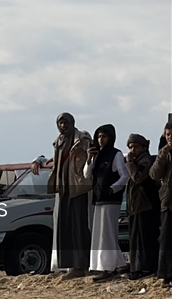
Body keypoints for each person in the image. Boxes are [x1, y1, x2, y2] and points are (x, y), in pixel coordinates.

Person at [32, 113, 92, 279]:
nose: (63, 126)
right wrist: (38, 160)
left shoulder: (82, 138)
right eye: (61, 123)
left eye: (66, 122)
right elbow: (56, 159)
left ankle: (80, 266)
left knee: (79, 227)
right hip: (63, 190)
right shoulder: (59, 141)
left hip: (78, 189)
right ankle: (69, 265)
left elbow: (90, 155)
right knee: (64, 227)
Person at [84, 124, 129, 283]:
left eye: (104, 136)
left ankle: (107, 268)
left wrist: (113, 189)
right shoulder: (97, 155)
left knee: (107, 234)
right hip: (98, 198)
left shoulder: (115, 154)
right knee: (101, 233)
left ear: (110, 137)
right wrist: (89, 158)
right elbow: (87, 174)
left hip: (111, 199)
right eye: (99, 137)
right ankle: (120, 264)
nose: (101, 140)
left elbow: (124, 176)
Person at [125, 133, 160, 279]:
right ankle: (137, 268)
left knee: (144, 239)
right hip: (137, 206)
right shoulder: (137, 160)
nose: (133, 150)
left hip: (145, 205)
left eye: (136, 147)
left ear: (144, 147)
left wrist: (130, 163)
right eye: (131, 147)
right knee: (136, 238)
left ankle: (144, 268)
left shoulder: (145, 160)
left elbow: (138, 178)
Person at [149, 122, 172, 288]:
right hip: (167, 202)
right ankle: (166, 275)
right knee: (166, 240)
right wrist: (162, 156)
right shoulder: (164, 153)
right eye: (168, 135)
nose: (170, 138)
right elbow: (154, 175)